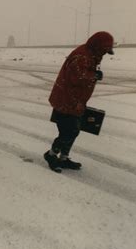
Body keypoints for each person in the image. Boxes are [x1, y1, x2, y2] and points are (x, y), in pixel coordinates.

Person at [44, 31, 114, 173]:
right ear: (98, 46)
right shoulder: (82, 56)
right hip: (66, 99)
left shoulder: (91, 54)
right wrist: (94, 75)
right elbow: (77, 77)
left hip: (75, 100)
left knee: (73, 130)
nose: (105, 54)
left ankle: (63, 158)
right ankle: (51, 155)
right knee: (69, 131)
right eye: (104, 51)